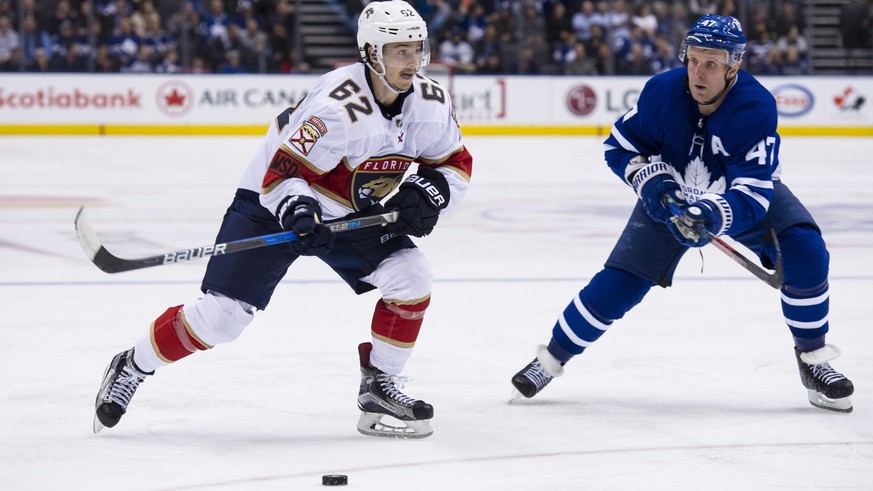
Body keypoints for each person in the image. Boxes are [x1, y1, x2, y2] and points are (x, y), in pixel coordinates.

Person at [94, 0, 473, 439]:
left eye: (416, 49)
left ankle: (380, 385)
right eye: (399, 51)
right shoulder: (336, 107)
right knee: (223, 319)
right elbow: (282, 176)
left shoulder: (429, 102)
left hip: (353, 209)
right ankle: (134, 364)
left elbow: (454, 163)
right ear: (372, 53)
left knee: (411, 276)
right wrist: (298, 211)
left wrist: (431, 190)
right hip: (271, 202)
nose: (413, 61)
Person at [510, 14, 854, 413]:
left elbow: (755, 191)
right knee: (619, 284)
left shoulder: (755, 107)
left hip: (737, 198)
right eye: (693, 59)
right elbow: (618, 147)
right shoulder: (661, 92)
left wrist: (712, 212)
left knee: (805, 249)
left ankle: (813, 361)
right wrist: (653, 183)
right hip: (669, 196)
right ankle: (550, 360)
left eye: (711, 62)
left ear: (734, 65)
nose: (698, 72)